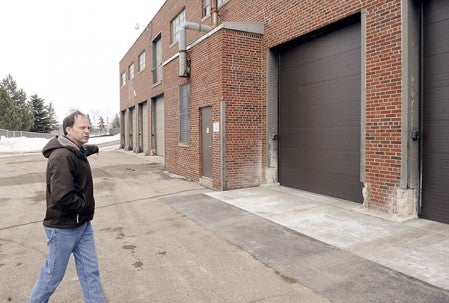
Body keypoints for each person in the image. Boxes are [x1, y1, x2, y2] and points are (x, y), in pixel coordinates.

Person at [30, 110, 105, 303]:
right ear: (68, 130)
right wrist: (85, 206)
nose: (87, 131)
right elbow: (63, 196)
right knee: (52, 276)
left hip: (83, 226)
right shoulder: (61, 156)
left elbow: (83, 150)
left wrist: (94, 148)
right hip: (62, 228)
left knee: (90, 272)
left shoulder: (75, 149)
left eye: (88, 127)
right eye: (82, 128)